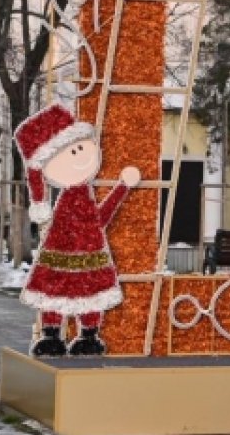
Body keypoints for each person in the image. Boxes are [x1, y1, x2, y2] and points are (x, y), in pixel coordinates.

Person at [14, 103, 141, 358]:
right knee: (60, 293)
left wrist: (122, 188)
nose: (82, 155)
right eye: (73, 151)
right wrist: (121, 188)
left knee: (87, 293)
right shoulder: (71, 200)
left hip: (87, 258)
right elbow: (99, 220)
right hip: (65, 256)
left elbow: (98, 220)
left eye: (81, 147)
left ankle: (85, 335)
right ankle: (54, 335)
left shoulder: (83, 196)